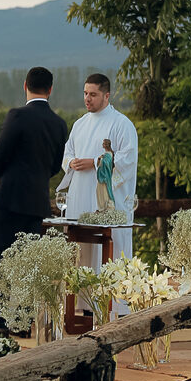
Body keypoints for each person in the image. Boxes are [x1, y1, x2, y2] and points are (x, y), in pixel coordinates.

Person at [0, 66, 68, 331]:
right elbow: (55, 165)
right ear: (50, 90)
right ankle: (25, 320)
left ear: (25, 85)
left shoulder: (17, 115)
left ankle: (0, 320)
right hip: (36, 203)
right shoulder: (59, 123)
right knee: (29, 263)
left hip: (8, 199)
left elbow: (0, 153)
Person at [57, 74, 138, 268]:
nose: (87, 98)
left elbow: (127, 159)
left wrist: (94, 163)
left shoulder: (122, 124)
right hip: (80, 199)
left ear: (107, 95)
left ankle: (113, 300)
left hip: (107, 202)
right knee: (82, 258)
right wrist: (71, 163)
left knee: (109, 258)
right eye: (85, 93)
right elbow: (66, 152)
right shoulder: (80, 124)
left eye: (93, 94)